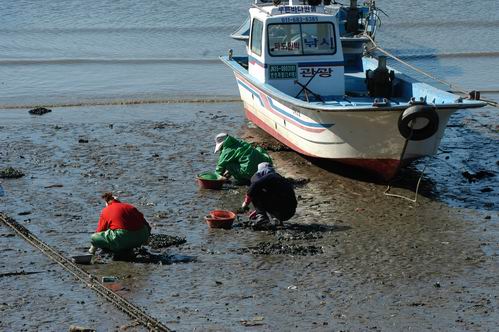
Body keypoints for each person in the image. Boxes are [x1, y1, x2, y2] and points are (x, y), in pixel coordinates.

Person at [241, 162, 297, 230]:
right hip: (289, 212)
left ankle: (262, 218)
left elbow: (253, 188)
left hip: (280, 211)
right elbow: (275, 197)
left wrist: (245, 204)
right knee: (266, 192)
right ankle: (276, 219)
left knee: (255, 191)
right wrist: (259, 209)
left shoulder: (268, 176)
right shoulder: (280, 178)